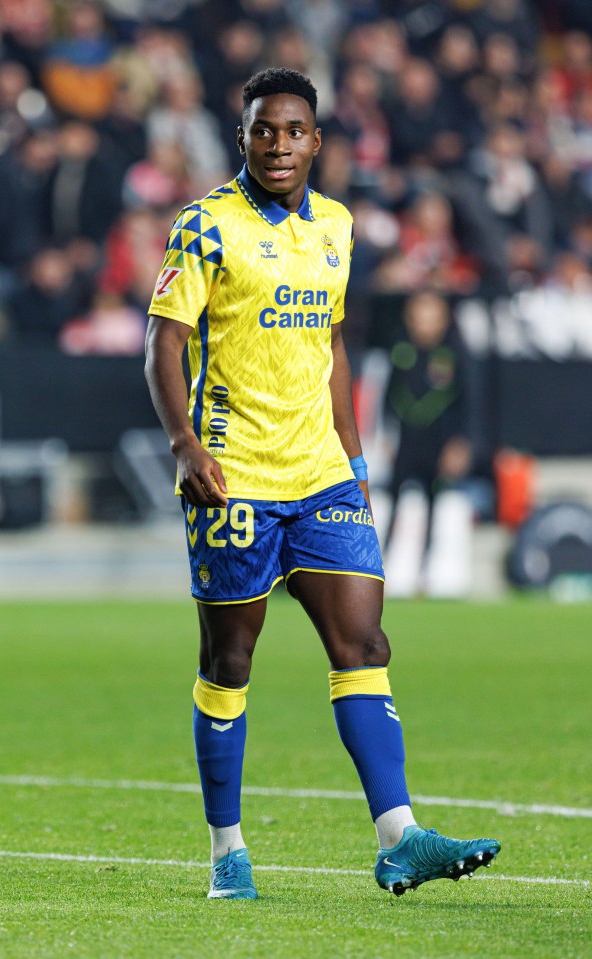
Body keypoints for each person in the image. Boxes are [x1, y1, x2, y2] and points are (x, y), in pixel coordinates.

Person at [145, 67, 500, 901]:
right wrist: (184, 444)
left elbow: (333, 345)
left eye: (294, 130)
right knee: (229, 660)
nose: (278, 144)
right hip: (231, 480)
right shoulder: (205, 225)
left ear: (316, 140)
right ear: (243, 136)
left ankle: (399, 837)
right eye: (263, 129)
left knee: (365, 646)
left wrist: (355, 455)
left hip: (320, 476)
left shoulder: (335, 227)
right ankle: (228, 851)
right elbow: (162, 345)